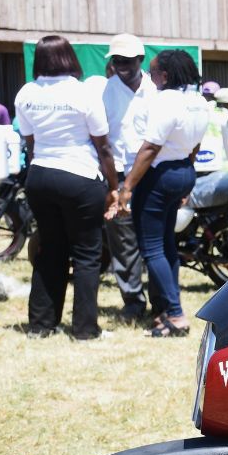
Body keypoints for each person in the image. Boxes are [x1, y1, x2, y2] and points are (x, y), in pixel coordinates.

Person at [15, 35, 118, 340]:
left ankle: (40, 325)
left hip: (40, 175)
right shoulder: (83, 93)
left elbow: (30, 142)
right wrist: (113, 187)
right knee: (87, 255)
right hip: (79, 176)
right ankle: (85, 330)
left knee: (50, 250)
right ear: (70, 58)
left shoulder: (26, 93)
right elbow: (103, 147)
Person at [119, 50, 207, 337]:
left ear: (165, 75)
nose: (149, 75)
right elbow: (195, 146)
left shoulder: (165, 101)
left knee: (152, 248)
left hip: (159, 175)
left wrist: (127, 186)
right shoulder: (198, 101)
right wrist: (186, 179)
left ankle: (176, 314)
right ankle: (169, 311)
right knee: (167, 245)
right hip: (183, 171)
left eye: (152, 71)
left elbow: (149, 148)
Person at [95, 33, 157, 321]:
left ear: (140, 60)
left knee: (155, 240)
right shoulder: (107, 90)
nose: (121, 65)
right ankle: (133, 301)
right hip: (119, 175)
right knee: (123, 241)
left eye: (127, 60)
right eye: (117, 60)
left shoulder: (156, 90)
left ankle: (160, 301)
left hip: (151, 173)